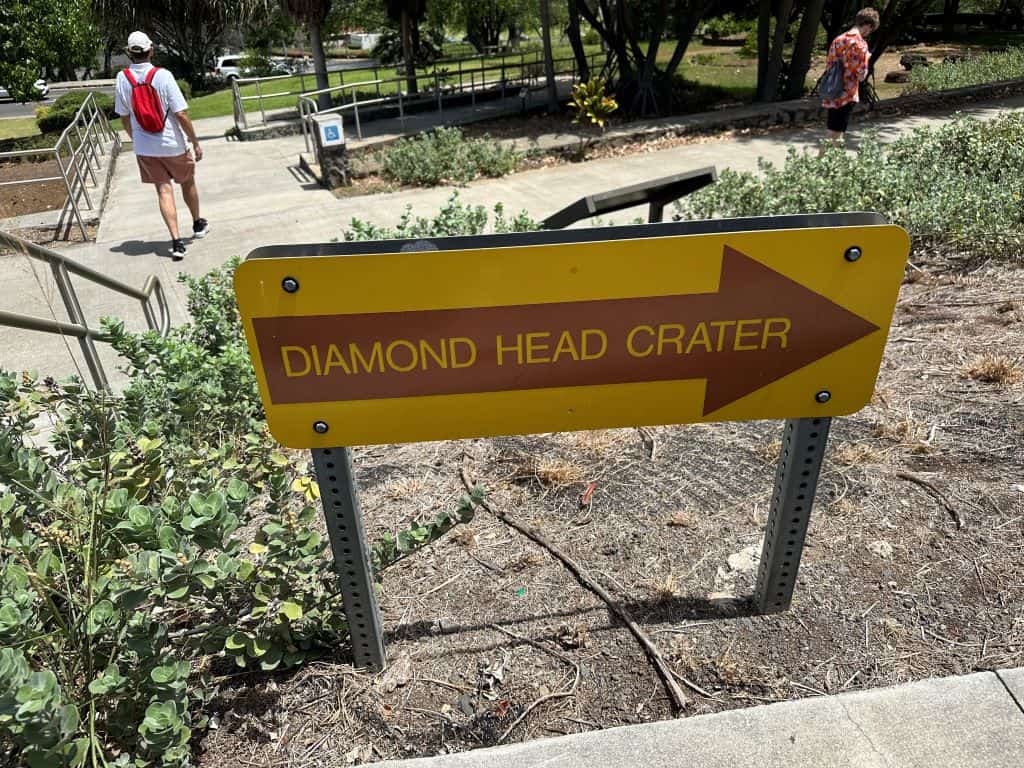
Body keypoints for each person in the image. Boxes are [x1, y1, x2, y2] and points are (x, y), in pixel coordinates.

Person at [114, 31, 208, 260]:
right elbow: (181, 114)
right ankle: (197, 224)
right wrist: (195, 142)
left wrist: (135, 138)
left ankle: (176, 242)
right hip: (172, 144)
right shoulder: (163, 76)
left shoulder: (122, 78)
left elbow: (124, 117)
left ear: (129, 53)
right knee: (187, 182)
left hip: (145, 148)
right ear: (151, 50)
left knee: (164, 191)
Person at [821, 8, 880, 152]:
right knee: (836, 133)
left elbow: (829, 64)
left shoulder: (838, 40)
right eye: (871, 29)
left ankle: (829, 166)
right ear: (868, 25)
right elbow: (861, 75)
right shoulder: (860, 44)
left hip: (832, 91)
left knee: (832, 130)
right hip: (847, 93)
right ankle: (821, 166)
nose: (869, 32)